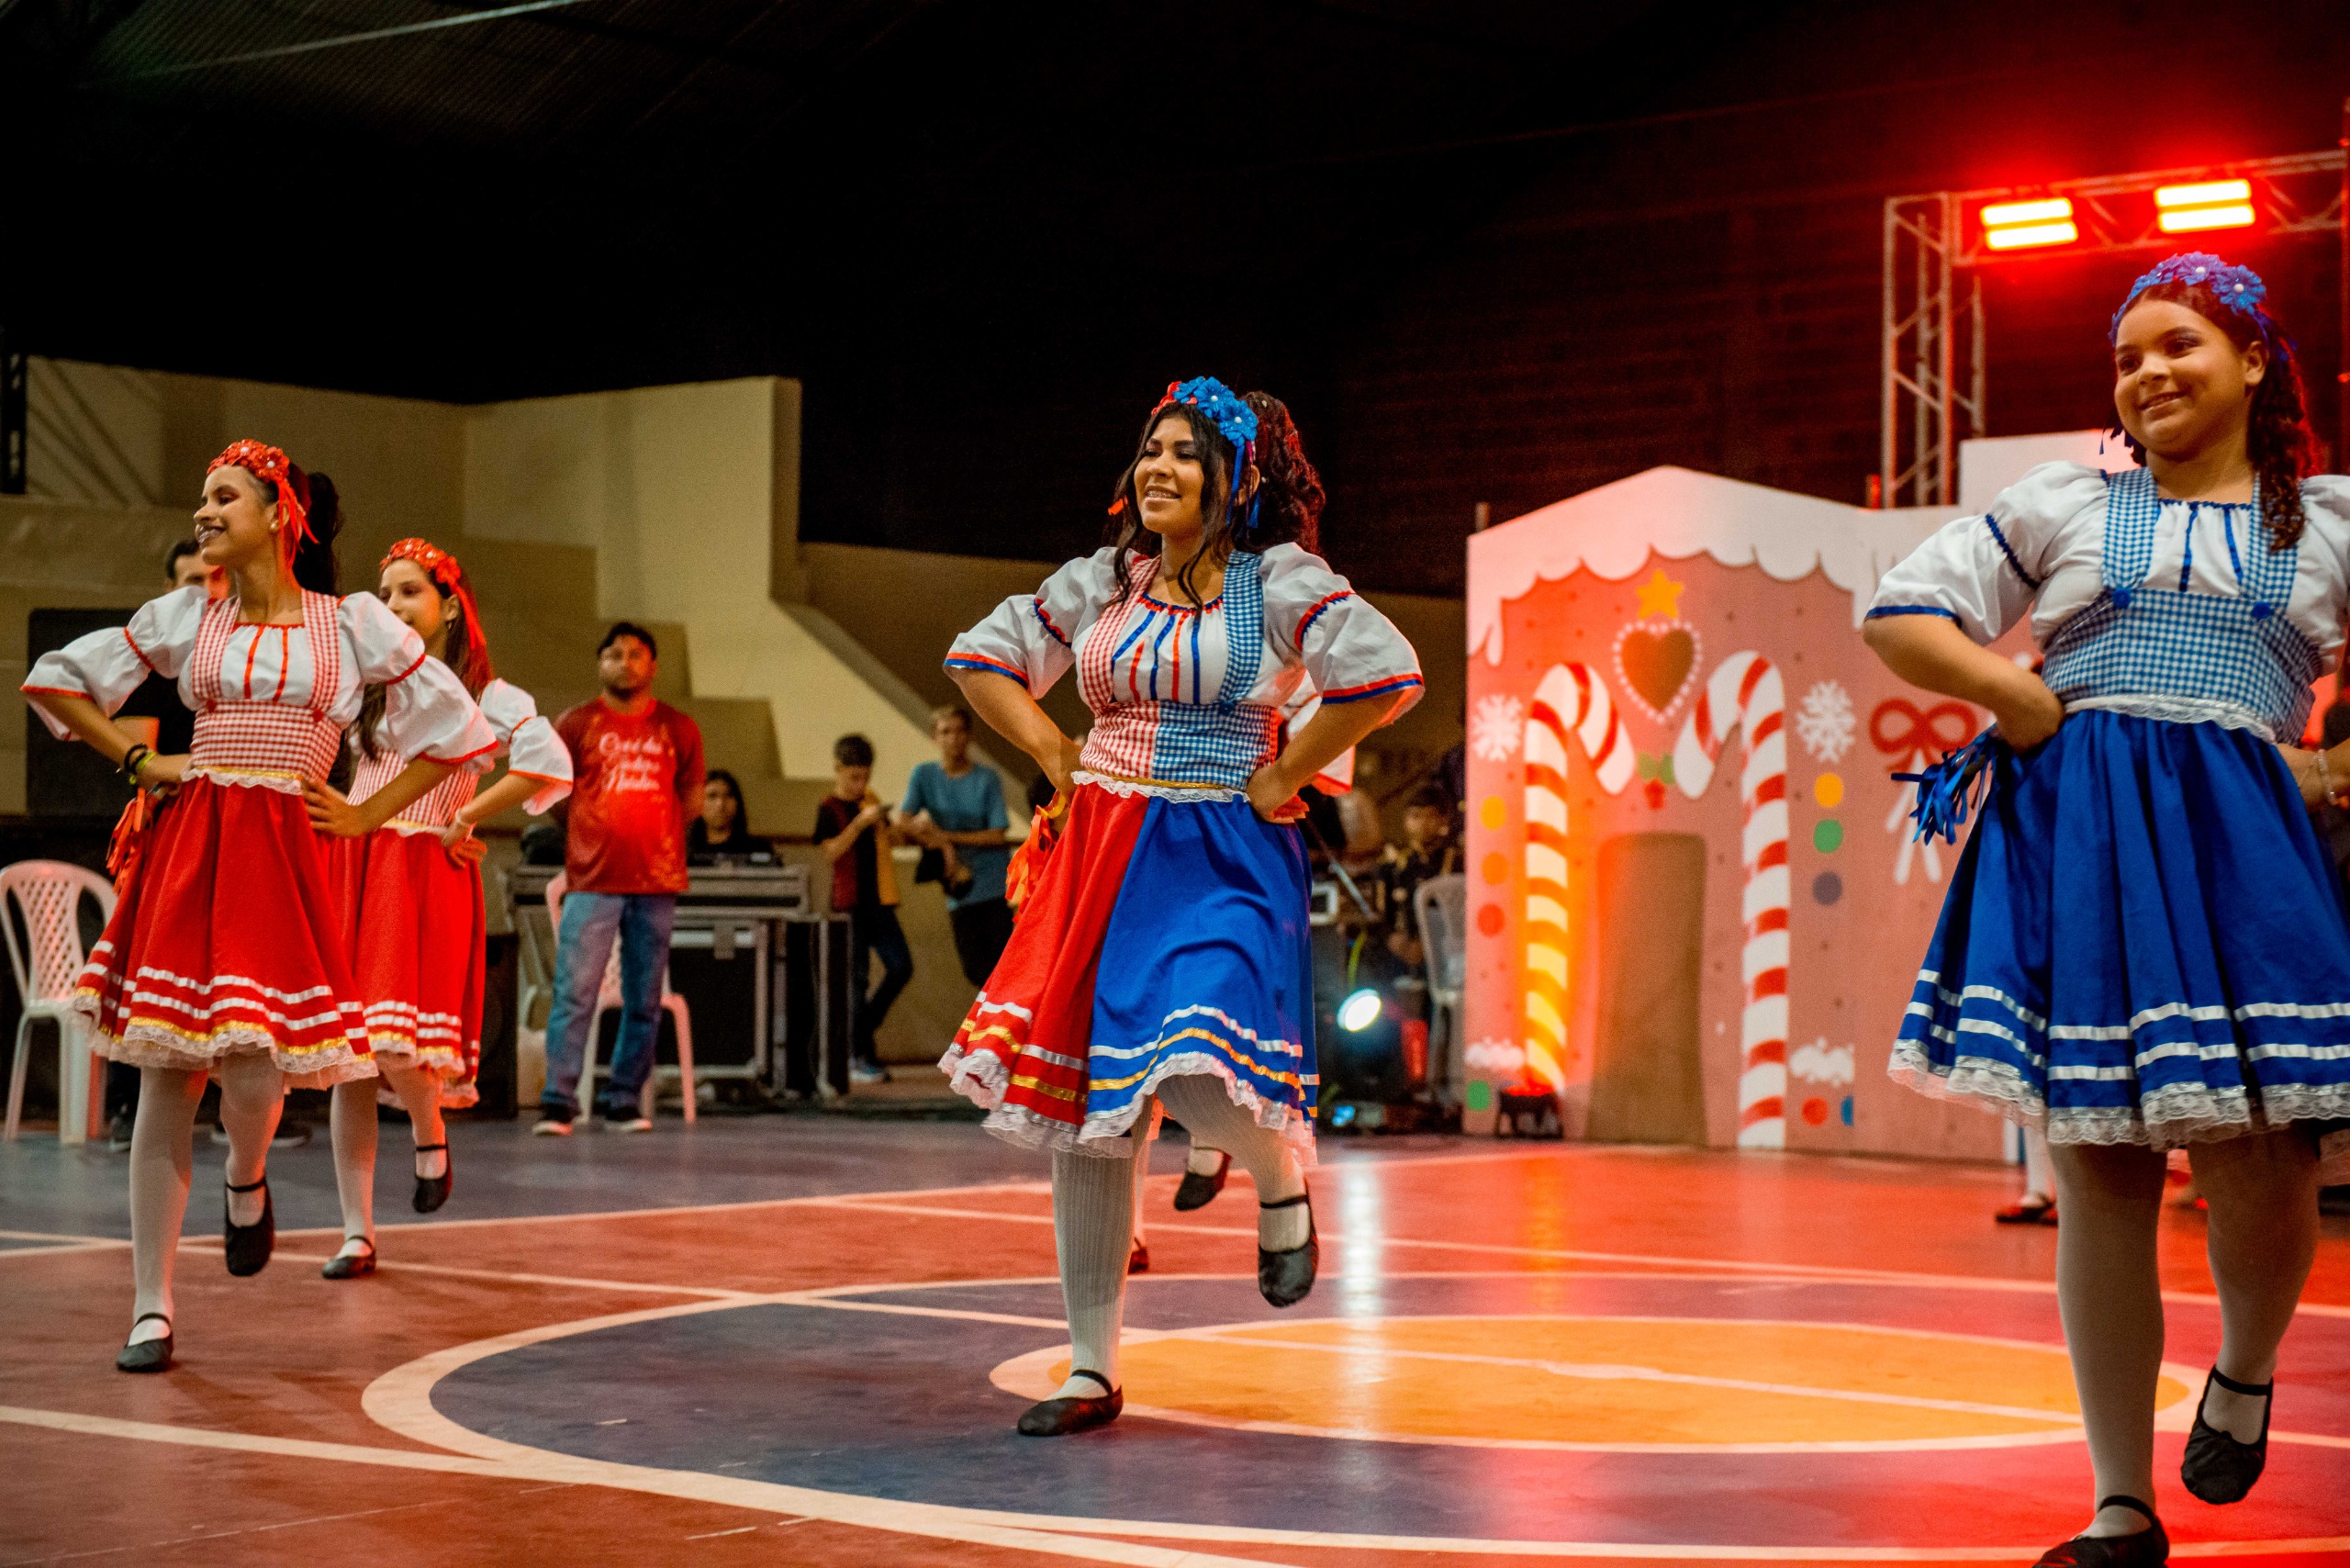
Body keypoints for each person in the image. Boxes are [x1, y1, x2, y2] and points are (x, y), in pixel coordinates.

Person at [1865, 253, 2348, 1564]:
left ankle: (2245, 1365)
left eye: (2179, 344)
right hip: (2077, 844)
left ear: (2254, 361)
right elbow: (1899, 613)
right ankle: (2120, 1504)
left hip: (2243, 853)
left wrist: (2326, 766)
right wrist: (2015, 695)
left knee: (2264, 1157)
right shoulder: (2068, 504)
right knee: (2098, 1167)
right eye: (2128, 357)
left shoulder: (2329, 525)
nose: (2148, 373)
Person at [941, 378, 1422, 1437]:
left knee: (1190, 1058)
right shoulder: (1103, 581)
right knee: (1089, 1115)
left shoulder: (1277, 581)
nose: (1158, 467)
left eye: (1185, 453)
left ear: (1233, 479)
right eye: (1150, 449)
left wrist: (1285, 766)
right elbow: (981, 657)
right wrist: (1051, 749)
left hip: (1221, 850)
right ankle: (1091, 1367)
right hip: (1102, 848)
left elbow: (1384, 674)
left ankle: (1276, 1173)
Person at [21, 440, 491, 1373]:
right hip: (195, 846)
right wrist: (138, 758)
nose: (204, 512)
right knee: (167, 1073)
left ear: (280, 512)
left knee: (250, 1072)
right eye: (202, 498)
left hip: (285, 854)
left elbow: (458, 732)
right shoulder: (190, 616)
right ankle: (151, 1307)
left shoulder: (345, 623)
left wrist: (366, 815)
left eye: (224, 496)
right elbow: (57, 679)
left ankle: (244, 1176)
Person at [313, 538, 573, 1278]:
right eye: (385, 594)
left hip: (421, 869)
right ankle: (356, 1232)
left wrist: (467, 815)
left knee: (395, 1045)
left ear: (450, 607)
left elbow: (548, 763)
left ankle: (429, 1132)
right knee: (350, 1061)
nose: (394, 606)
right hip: (355, 864)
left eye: (410, 592)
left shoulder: (484, 694)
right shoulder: (365, 686)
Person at [536, 622, 705, 1134]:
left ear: (652, 666)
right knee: (575, 993)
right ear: (599, 664)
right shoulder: (575, 723)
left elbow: (691, 802)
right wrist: (590, 832)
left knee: (644, 998)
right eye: (613, 654)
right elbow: (553, 794)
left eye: (635, 654)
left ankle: (624, 1101)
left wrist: (655, 837)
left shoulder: (679, 727)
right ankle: (558, 1101)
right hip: (592, 880)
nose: (625, 663)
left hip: (657, 879)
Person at [104, 542, 220, 1151]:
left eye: (214, 578)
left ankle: (236, 1105)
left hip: (233, 835)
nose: (205, 590)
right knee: (149, 970)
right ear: (170, 590)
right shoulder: (155, 662)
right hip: (170, 833)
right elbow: (141, 762)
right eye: (191, 580)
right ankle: (128, 1103)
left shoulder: (242, 655)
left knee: (228, 972)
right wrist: (202, 770)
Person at [816, 734, 911, 1084]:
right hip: (849, 904)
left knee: (901, 966)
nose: (860, 784)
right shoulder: (829, 807)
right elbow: (830, 852)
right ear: (838, 769)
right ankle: (858, 1054)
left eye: (865, 777)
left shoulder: (871, 799)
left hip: (880, 901)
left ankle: (864, 1027)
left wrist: (898, 825)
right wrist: (859, 823)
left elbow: (891, 837)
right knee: (856, 980)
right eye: (854, 777)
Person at [898, 705, 1013, 985]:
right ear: (934, 738)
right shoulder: (924, 775)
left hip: (993, 883)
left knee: (1003, 968)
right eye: (946, 732)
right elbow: (903, 820)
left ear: (969, 736)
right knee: (974, 968)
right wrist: (931, 836)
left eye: (960, 731)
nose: (953, 738)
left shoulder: (986, 778)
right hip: (958, 885)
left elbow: (997, 834)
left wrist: (946, 837)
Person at [1380, 783, 1462, 969]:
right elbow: (1382, 914)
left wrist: (1428, 943)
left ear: (1443, 819)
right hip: (1405, 951)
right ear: (1406, 820)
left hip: (1448, 950)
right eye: (1415, 816)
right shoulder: (1393, 866)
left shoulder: (1456, 861)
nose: (1423, 823)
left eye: (1430, 816)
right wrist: (1393, 939)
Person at [688, 768, 768, 862]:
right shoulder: (683, 852)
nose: (721, 804)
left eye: (728, 795)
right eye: (712, 796)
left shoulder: (759, 849)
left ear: (737, 803)